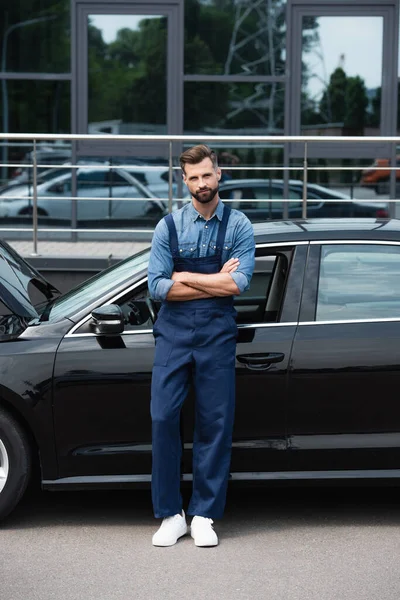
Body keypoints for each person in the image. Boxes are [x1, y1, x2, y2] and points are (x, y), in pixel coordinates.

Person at [148, 144, 255, 547]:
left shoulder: (240, 226)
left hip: (217, 337)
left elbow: (237, 284)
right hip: (172, 336)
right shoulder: (168, 226)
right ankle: (171, 514)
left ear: (219, 174)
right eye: (193, 178)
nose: (201, 184)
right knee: (163, 418)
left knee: (215, 423)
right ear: (184, 180)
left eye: (207, 175)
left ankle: (204, 514)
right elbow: (157, 287)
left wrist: (184, 276)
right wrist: (211, 283)